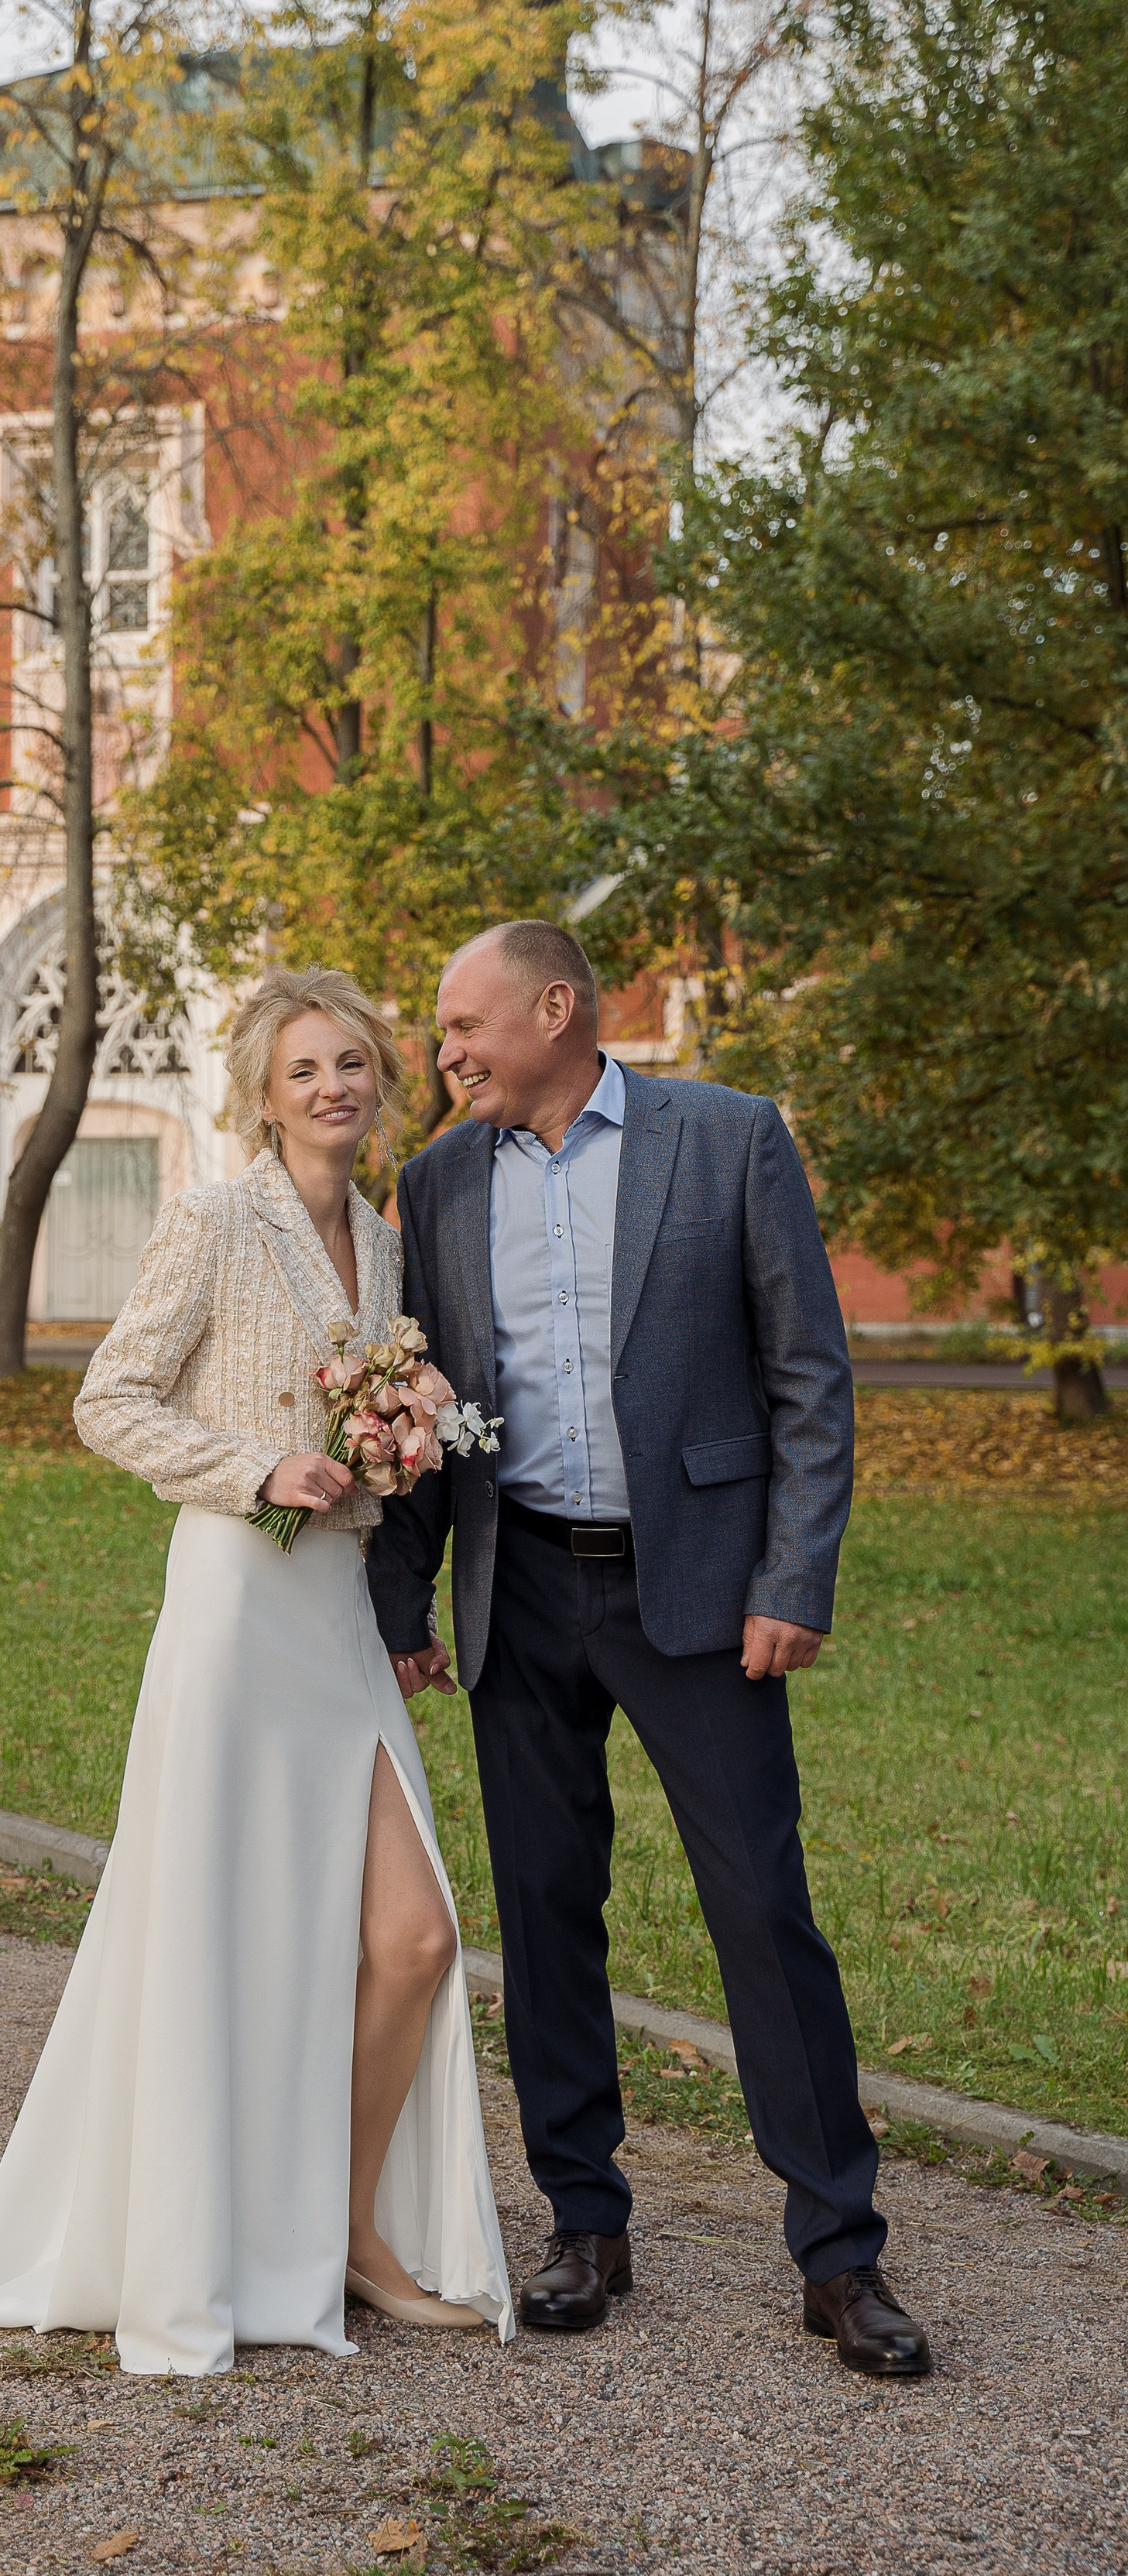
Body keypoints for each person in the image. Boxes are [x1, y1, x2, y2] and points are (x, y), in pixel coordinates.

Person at [0, 965, 513, 2372]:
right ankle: (226, 2236)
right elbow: (112, 1402)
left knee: (412, 1941)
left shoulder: (390, 1248)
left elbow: (375, 1433)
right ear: (260, 1097)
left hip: (334, 1614)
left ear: (380, 1081)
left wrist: (419, 1436)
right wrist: (251, 1468)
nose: (332, 1088)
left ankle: (343, 2229)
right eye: (303, 1072)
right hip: (235, 1608)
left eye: (351, 1064)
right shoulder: (216, 1217)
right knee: (231, 1938)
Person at [369, 920, 931, 2380]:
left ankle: (839, 2255)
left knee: (764, 1912)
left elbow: (809, 1375)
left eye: (462, 1026)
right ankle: (584, 2224)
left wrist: (791, 1574)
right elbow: (417, 1414)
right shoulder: (434, 1183)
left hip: (699, 1598)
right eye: (440, 1035)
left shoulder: (728, 1138)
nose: (445, 1054)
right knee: (548, 1918)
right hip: (524, 1587)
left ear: (556, 1010)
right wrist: (402, 1603)